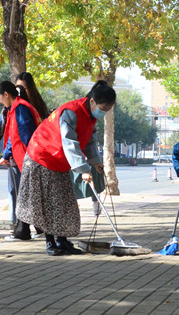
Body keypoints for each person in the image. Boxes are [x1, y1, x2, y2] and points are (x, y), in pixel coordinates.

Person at [16, 80, 116, 256]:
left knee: (64, 202)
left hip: (59, 161)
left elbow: (89, 140)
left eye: (107, 111)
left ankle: (63, 241)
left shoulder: (91, 116)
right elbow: (70, 143)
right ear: (92, 101)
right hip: (42, 157)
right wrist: (83, 169)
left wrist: (95, 161)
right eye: (102, 109)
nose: (103, 113)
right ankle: (51, 243)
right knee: (49, 203)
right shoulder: (71, 112)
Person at [0, 81, 42, 240]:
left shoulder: (21, 109)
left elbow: (28, 137)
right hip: (21, 158)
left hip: (26, 159)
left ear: (6, 95)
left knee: (23, 196)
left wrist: (31, 159)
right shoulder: (16, 109)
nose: (0, 101)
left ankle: (23, 231)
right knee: (26, 195)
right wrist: (6, 155)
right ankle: (36, 229)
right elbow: (12, 137)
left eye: (0, 97)